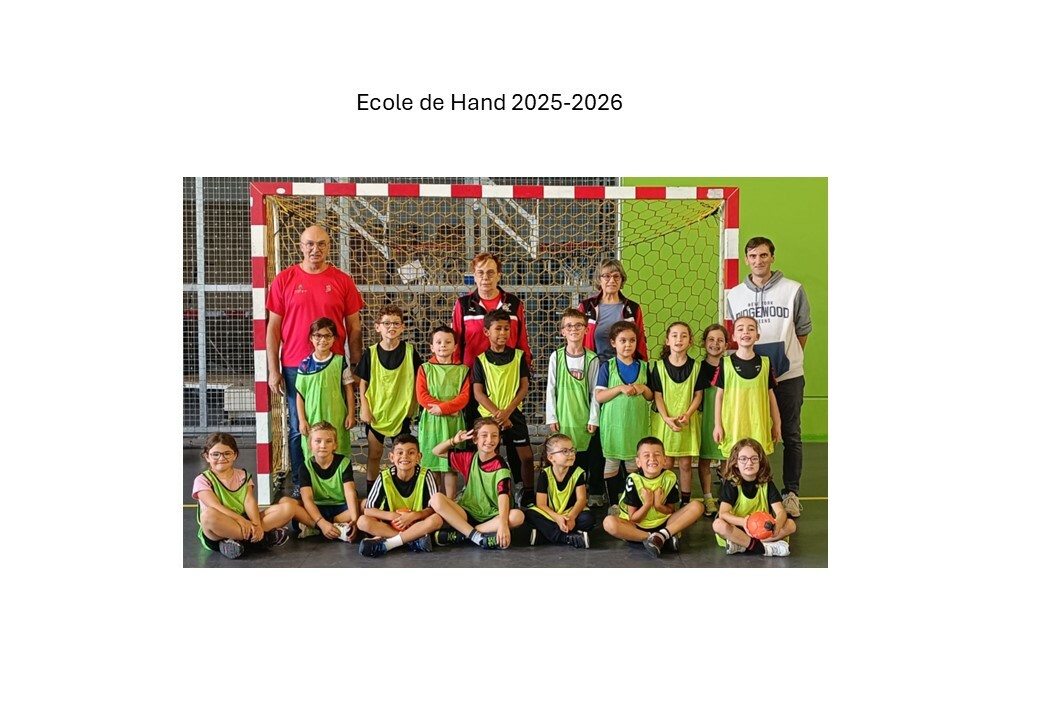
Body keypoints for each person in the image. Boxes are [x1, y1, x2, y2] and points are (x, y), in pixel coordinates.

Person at [266, 225, 364, 497]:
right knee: (300, 427)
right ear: (301, 246)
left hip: (335, 367)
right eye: (309, 244)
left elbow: (354, 327)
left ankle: (337, 484)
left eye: (321, 244)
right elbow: (273, 328)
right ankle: (303, 484)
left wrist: (356, 365)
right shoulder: (284, 280)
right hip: (295, 366)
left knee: (337, 425)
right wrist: (273, 369)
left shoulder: (342, 281)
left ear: (329, 247)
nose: (315, 249)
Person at [725, 236, 811, 517]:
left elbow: (802, 330)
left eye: (763, 255)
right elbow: (736, 333)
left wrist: (786, 358)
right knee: (745, 433)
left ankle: (791, 493)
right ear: (746, 259)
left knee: (790, 434)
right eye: (753, 256)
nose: (758, 261)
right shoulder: (734, 295)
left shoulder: (793, 289)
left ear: (772, 257)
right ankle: (741, 491)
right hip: (747, 378)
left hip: (787, 376)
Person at [577, 258, 648, 506]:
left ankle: (627, 494)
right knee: (595, 428)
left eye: (616, 276)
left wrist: (641, 372)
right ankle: (595, 488)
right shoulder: (587, 306)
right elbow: (578, 335)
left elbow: (640, 340)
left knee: (621, 429)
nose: (611, 280)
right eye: (606, 276)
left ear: (622, 280)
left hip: (624, 369)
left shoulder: (631, 308)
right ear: (599, 279)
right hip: (595, 370)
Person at [428, 419, 526, 550]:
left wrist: (503, 524)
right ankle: (477, 536)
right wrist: (454, 441)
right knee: (436, 499)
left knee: (517, 516)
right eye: (484, 435)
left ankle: (462, 534)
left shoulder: (501, 466)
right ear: (475, 439)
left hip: (493, 516)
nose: (489, 440)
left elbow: (503, 495)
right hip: (467, 511)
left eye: (494, 436)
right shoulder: (468, 458)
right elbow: (436, 451)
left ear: (499, 439)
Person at [601, 436, 706, 558]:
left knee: (697, 506)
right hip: (637, 526)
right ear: (638, 462)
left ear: (664, 460)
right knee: (609, 523)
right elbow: (634, 518)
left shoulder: (670, 477)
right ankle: (654, 538)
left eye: (657, 455)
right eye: (646, 455)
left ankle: (661, 536)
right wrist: (647, 504)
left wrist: (658, 505)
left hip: (664, 523)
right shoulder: (633, 480)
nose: (652, 459)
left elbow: (671, 510)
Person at [192, 432, 292, 559]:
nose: (221, 458)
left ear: (235, 455)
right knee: (207, 515)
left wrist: (256, 524)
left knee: (287, 508)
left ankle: (238, 541)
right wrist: (241, 520)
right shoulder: (202, 480)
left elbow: (249, 501)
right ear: (207, 456)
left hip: (244, 522)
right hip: (219, 529)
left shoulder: (243, 475)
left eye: (227, 453)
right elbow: (216, 506)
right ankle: (262, 539)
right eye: (215, 454)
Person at [355, 305, 423, 489]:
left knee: (403, 455)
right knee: (375, 453)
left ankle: (402, 490)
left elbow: (420, 378)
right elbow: (363, 383)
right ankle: (372, 492)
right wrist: (364, 407)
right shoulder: (370, 353)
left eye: (395, 323)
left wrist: (417, 404)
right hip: (376, 412)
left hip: (401, 413)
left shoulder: (410, 351)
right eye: (386, 323)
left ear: (402, 327)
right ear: (377, 327)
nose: (391, 327)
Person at [471, 309, 535, 505]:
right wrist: (498, 415)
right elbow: (478, 393)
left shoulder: (518, 356)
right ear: (486, 332)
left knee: (527, 457)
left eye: (506, 329)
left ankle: (527, 493)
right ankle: (492, 493)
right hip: (489, 417)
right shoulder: (480, 360)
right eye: (498, 328)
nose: (503, 333)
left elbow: (524, 387)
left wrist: (507, 413)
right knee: (491, 456)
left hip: (512, 414)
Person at [594, 321, 652, 513]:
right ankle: (613, 503)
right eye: (623, 340)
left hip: (637, 426)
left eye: (632, 340)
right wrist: (619, 388)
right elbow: (599, 396)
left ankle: (631, 503)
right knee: (611, 463)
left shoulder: (644, 367)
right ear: (613, 343)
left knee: (633, 465)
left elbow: (651, 396)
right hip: (613, 427)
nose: (628, 345)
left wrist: (643, 388)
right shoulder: (607, 367)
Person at [544, 309, 600, 503]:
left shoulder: (592, 359)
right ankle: (561, 498)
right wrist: (552, 417)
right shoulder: (556, 357)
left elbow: (595, 392)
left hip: (583, 420)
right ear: (562, 331)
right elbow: (551, 389)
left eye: (578, 325)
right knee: (562, 458)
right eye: (569, 326)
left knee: (581, 460)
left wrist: (594, 418)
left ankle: (581, 499)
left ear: (586, 330)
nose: (574, 329)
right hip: (563, 419)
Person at [357, 434, 444, 557]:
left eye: (411, 453)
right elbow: (368, 510)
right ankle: (413, 540)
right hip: (392, 525)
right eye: (400, 453)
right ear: (391, 457)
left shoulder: (426, 475)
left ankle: (392, 542)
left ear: (419, 457)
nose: (405, 457)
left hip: (417, 523)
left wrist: (414, 515)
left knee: (437, 519)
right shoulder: (384, 477)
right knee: (362, 521)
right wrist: (392, 516)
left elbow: (434, 509)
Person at [451, 251, 532, 379]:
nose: (485, 278)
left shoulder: (514, 303)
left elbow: (522, 341)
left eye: (490, 272)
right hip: (472, 377)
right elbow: (455, 344)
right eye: (480, 273)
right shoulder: (463, 304)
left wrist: (524, 372)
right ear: (474, 276)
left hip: (507, 376)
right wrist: (457, 375)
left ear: (499, 275)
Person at [712, 316, 782, 459]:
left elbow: (771, 396)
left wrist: (777, 423)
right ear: (734, 337)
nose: (745, 332)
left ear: (757, 336)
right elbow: (719, 396)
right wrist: (717, 425)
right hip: (733, 427)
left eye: (751, 329)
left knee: (758, 464)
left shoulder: (765, 363)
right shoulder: (725, 363)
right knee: (734, 465)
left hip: (759, 428)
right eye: (740, 329)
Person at [277, 422, 360, 542]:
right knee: (285, 502)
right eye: (318, 441)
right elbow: (308, 499)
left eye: (328, 441)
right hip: (316, 508)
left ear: (335, 445)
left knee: (365, 505)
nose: (323, 445)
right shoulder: (305, 467)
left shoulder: (344, 463)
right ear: (310, 444)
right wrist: (321, 522)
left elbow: (350, 493)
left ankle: (314, 527)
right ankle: (329, 527)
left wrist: (355, 520)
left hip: (340, 507)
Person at [649, 321, 702, 507]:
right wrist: (666, 418)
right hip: (665, 423)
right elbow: (657, 395)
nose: (679, 339)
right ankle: (665, 500)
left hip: (687, 422)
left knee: (686, 464)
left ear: (690, 341)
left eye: (684, 335)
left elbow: (698, 395)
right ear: (667, 341)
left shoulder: (696, 367)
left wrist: (688, 414)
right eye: (674, 335)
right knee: (666, 464)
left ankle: (685, 502)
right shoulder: (658, 367)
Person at [712, 438, 796, 556]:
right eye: (743, 459)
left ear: (761, 462)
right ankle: (762, 548)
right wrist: (743, 522)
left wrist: (778, 523)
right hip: (739, 529)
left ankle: (743, 545)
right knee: (718, 525)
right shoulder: (732, 484)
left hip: (763, 531)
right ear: (735, 463)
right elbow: (723, 514)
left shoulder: (766, 484)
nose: (749, 463)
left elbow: (780, 511)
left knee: (791, 525)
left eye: (754, 458)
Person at [416, 325, 470, 499]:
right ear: (432, 347)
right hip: (432, 421)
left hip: (454, 422)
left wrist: (445, 409)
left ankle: (451, 501)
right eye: (438, 342)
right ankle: (434, 501)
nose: (443, 345)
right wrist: (444, 409)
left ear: (455, 347)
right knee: (433, 464)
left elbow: (464, 396)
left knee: (450, 463)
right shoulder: (425, 368)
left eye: (448, 342)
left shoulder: (463, 370)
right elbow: (422, 396)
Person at [295, 317, 355, 465]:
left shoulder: (340, 362)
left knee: (338, 452)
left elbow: (349, 389)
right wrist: (302, 420)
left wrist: (351, 414)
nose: (323, 340)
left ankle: (340, 479)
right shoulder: (305, 365)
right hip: (312, 418)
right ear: (311, 338)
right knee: (313, 455)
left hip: (337, 417)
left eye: (328, 336)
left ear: (334, 338)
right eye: (318, 336)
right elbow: (300, 395)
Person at [523, 433, 593, 549]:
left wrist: (571, 517)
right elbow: (541, 504)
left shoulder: (578, 473)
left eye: (572, 450)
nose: (571, 454)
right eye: (565, 451)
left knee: (587, 519)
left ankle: (545, 535)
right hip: (551, 514)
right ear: (551, 457)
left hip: (570, 513)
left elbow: (581, 500)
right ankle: (567, 538)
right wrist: (557, 518)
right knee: (529, 514)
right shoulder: (545, 474)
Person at [696, 323, 729, 515]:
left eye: (720, 340)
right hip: (705, 420)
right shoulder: (698, 368)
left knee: (726, 458)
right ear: (703, 343)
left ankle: (726, 496)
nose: (715, 344)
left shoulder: (730, 367)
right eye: (711, 339)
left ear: (726, 345)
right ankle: (708, 497)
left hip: (726, 419)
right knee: (705, 459)